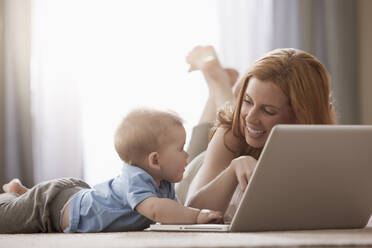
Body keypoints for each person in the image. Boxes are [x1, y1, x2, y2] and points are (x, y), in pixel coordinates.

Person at [0, 108, 223, 233]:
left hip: (74, 193)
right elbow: (157, 211)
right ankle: (14, 193)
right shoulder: (134, 177)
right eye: (181, 149)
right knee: (5, 218)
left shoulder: (163, 182)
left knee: (21, 206)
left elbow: (170, 214)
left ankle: (22, 192)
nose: (187, 155)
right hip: (49, 208)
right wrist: (197, 215)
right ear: (154, 160)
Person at [178, 45, 338, 216]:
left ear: (300, 115)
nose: (250, 117)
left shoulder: (320, 130)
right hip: (198, 172)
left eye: (268, 111)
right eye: (247, 101)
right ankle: (218, 84)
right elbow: (193, 211)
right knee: (227, 122)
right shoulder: (230, 133)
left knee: (236, 117)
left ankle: (221, 86)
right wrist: (233, 169)